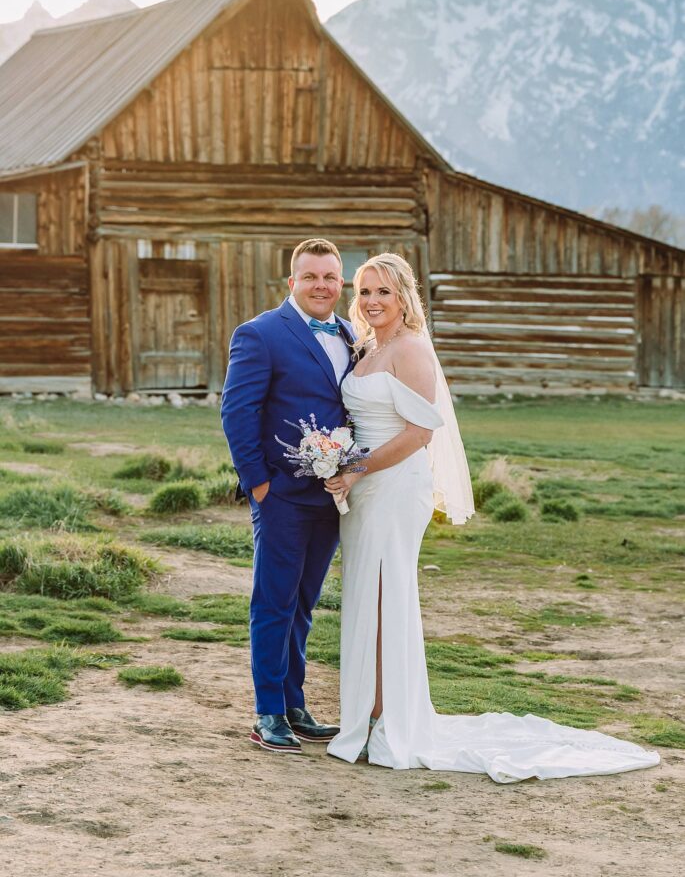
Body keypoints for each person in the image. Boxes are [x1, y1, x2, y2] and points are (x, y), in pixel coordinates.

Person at [324, 252, 660, 782]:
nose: (371, 301)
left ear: (404, 296)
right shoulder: (367, 346)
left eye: (383, 291)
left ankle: (392, 719)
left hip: (392, 485)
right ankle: (368, 712)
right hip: (362, 488)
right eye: (364, 291)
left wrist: (356, 468)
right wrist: (338, 460)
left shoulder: (410, 349)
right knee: (369, 594)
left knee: (390, 595)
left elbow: (418, 434)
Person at [221, 237, 355, 753]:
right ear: (292, 282)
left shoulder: (347, 332)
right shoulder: (259, 334)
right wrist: (259, 485)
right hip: (281, 493)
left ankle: (295, 704)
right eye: (311, 277)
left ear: (339, 283)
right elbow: (237, 412)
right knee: (274, 601)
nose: (321, 286)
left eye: (329, 277)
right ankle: (268, 713)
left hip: (331, 495)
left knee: (304, 603)